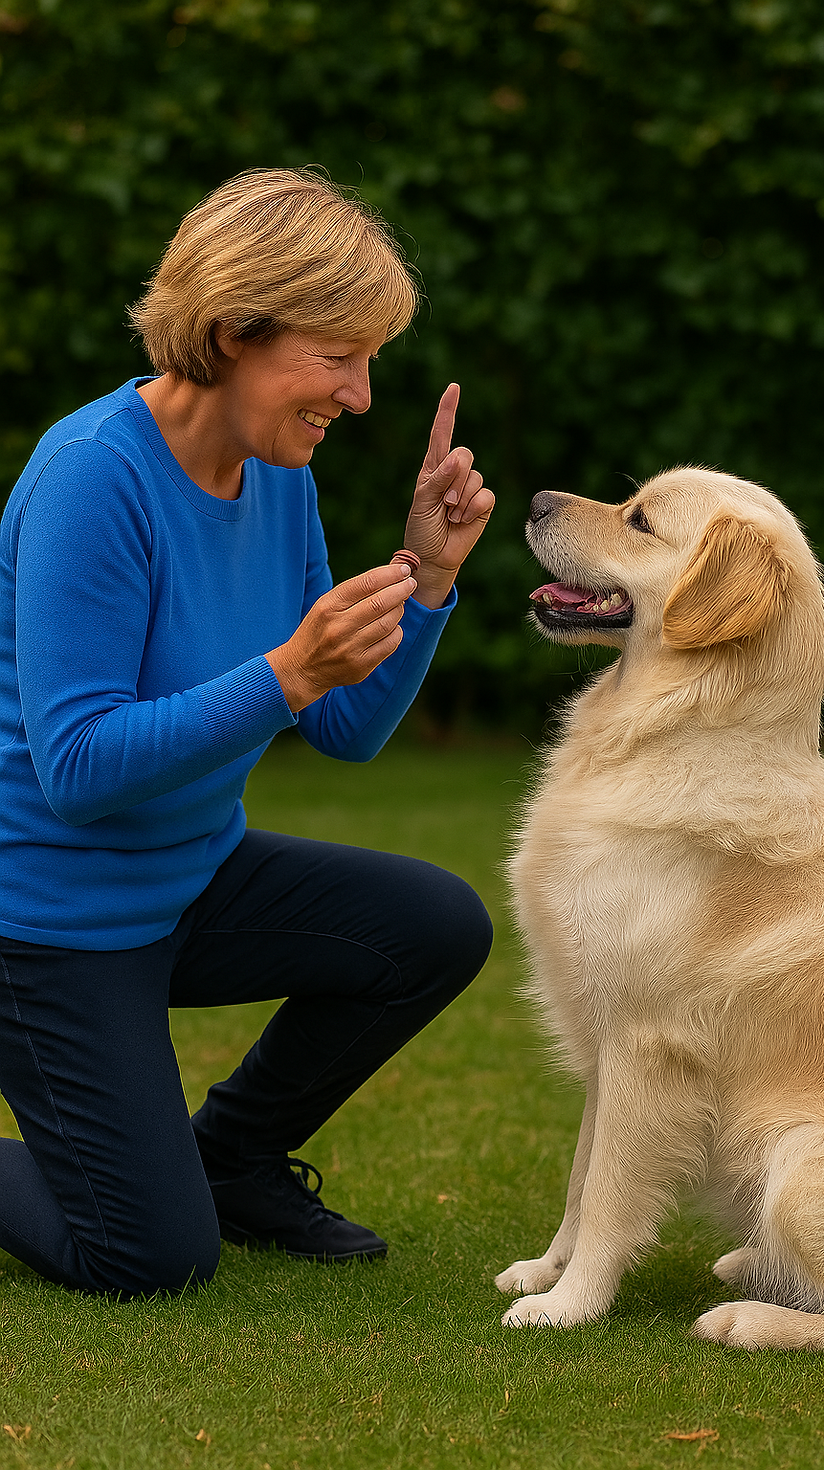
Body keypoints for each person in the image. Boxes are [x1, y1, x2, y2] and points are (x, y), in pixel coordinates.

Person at [0, 167, 495, 1297]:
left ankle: (230, 1156)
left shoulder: (277, 476)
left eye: (370, 361)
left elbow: (347, 732)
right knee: (147, 1257)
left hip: (190, 882)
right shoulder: (92, 479)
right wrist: (281, 673)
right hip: (47, 926)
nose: (361, 396)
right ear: (231, 333)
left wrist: (425, 582)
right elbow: (76, 771)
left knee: (430, 925)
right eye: (337, 358)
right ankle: (171, 1183)